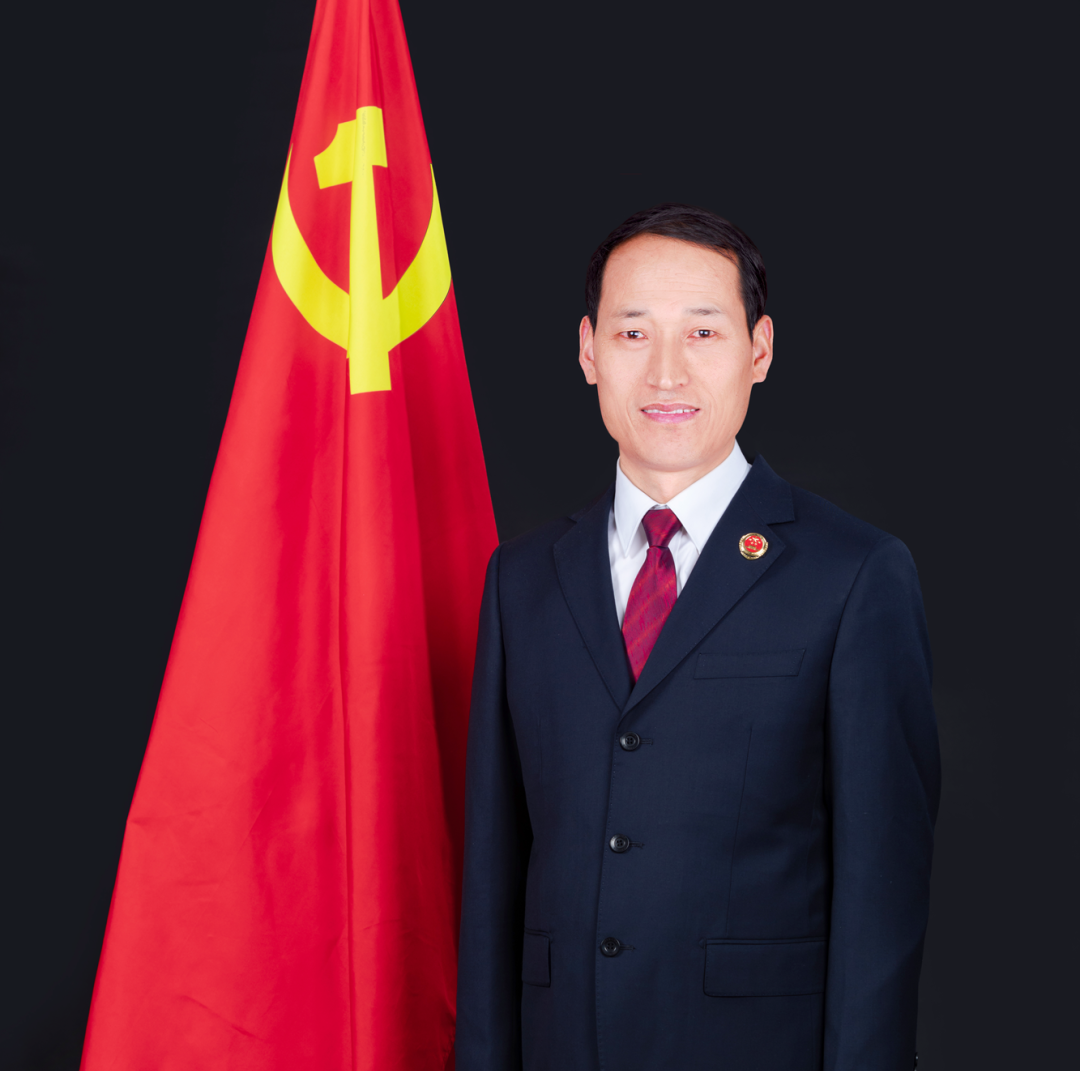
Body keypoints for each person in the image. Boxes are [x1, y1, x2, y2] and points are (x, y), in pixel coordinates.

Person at [456, 204, 940, 1071]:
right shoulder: (521, 581)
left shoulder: (854, 574)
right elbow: (494, 873)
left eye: (704, 332)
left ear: (759, 350)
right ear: (588, 351)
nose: (666, 371)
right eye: (633, 332)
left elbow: (883, 893)